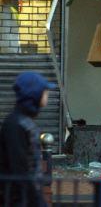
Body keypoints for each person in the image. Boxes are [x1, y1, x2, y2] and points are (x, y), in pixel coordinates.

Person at [0, 72, 56, 206]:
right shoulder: (16, 123)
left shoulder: (23, 121)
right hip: (17, 200)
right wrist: (36, 200)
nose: (47, 95)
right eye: (45, 91)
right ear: (34, 94)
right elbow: (19, 167)